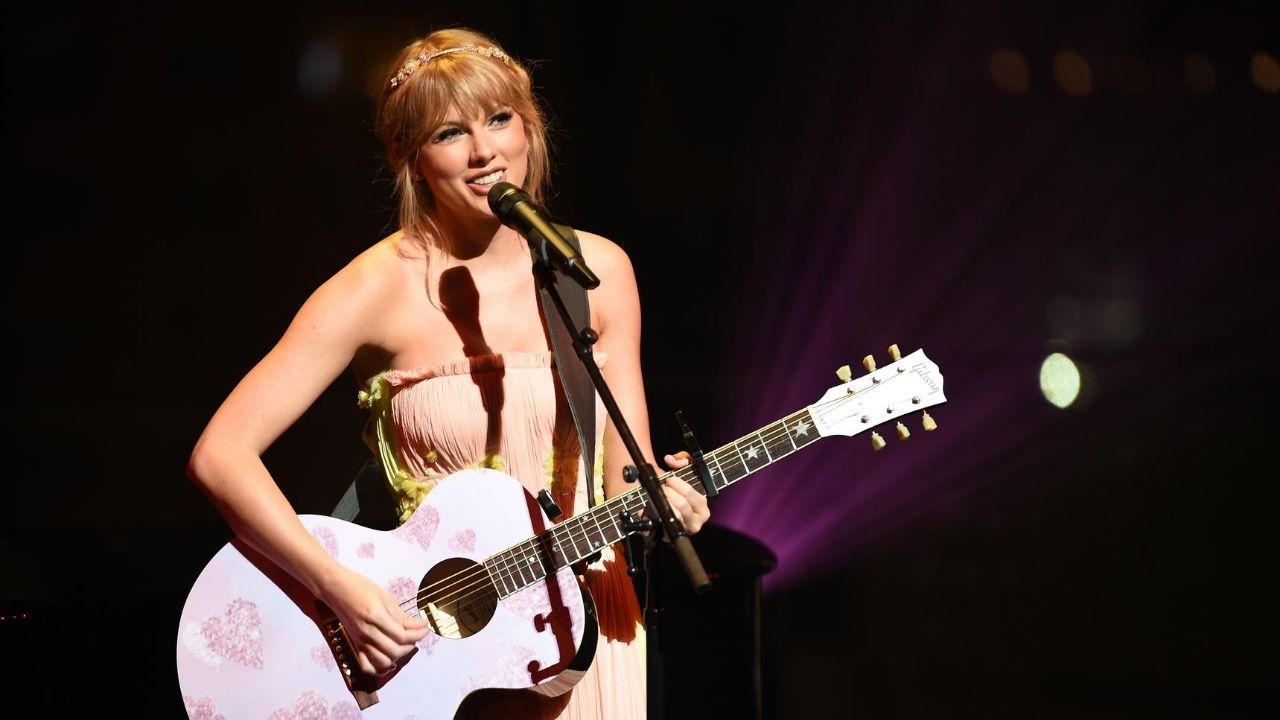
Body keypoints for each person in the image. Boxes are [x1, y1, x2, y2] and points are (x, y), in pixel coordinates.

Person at [185, 26, 710, 720]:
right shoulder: (374, 288)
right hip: (442, 651)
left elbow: (622, 482)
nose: (484, 150)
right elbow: (220, 455)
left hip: (583, 631)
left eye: (500, 119)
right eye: (450, 132)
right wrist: (338, 588)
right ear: (410, 157)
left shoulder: (595, 271)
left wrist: (667, 501)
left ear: (531, 128)